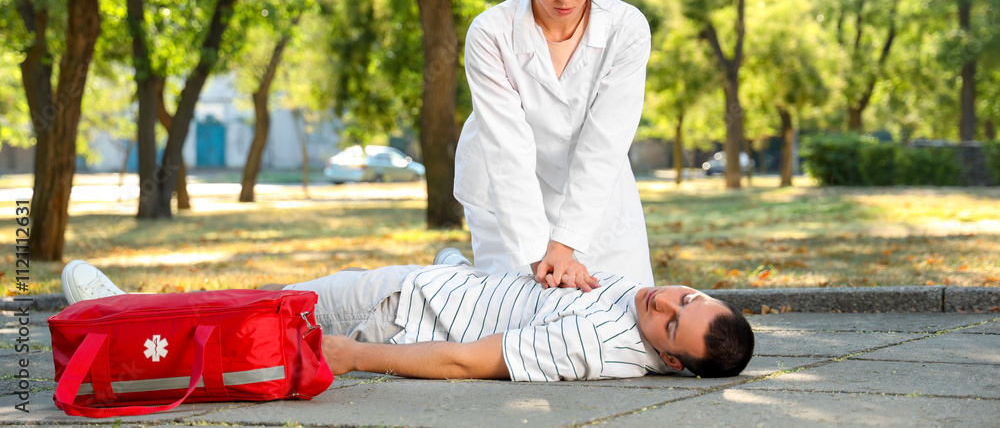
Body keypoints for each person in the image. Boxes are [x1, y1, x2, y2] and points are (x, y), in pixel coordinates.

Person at [61, 258, 754, 382]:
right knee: (264, 310)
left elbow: (467, 361)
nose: (664, 303)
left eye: (671, 325)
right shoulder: (635, 304)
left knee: (260, 312)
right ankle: (124, 321)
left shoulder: (595, 342)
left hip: (400, 310)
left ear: (670, 361)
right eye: (686, 298)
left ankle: (110, 315)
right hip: (438, 286)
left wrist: (355, 356)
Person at [455, 0, 655, 290]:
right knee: (515, 319)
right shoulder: (490, 32)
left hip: (598, 199)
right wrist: (538, 255)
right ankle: (452, 269)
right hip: (505, 195)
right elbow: (507, 148)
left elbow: (605, 143)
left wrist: (565, 244)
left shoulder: (626, 28)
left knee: (626, 323)